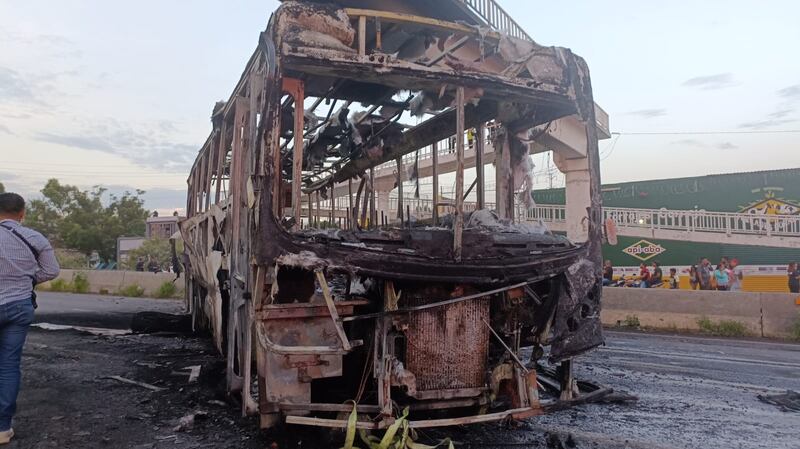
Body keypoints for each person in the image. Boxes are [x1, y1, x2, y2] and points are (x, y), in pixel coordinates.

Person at [0, 193, 60, 444]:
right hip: (18, 306)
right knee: (8, 366)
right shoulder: (35, 238)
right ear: (22, 213)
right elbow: (51, 270)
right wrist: (28, 278)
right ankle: (2, 428)